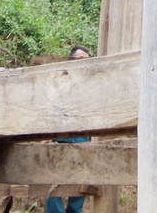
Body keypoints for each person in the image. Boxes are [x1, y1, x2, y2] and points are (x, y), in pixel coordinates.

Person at [46, 47, 94, 213]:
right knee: (54, 182)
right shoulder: (60, 81)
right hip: (61, 138)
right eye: (79, 58)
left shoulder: (92, 84)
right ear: (70, 61)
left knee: (80, 184)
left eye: (86, 58)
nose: (83, 61)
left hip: (83, 139)